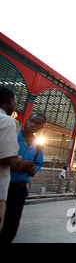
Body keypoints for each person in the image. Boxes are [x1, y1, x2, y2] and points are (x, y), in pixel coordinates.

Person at [0, 113, 46, 243]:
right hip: (4, 185)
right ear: (26, 120)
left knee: (12, 224)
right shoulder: (12, 136)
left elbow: (38, 163)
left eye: (37, 123)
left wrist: (33, 169)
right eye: (31, 121)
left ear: (41, 127)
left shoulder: (38, 145)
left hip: (19, 188)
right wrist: (20, 165)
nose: (33, 125)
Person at [0, 86, 22, 233]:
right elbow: (8, 158)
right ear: (9, 101)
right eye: (15, 100)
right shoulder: (8, 121)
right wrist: (19, 160)